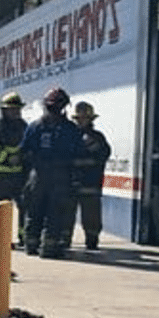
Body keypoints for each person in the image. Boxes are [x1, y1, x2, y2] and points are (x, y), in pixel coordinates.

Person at [19, 87, 84, 259]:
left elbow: (23, 151)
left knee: (34, 211)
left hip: (38, 175)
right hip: (60, 177)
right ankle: (49, 247)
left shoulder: (35, 127)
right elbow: (79, 152)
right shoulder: (70, 129)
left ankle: (31, 244)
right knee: (55, 213)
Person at [0, 91, 29, 247]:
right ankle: (0, 239)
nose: (15, 112)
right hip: (0, 175)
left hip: (19, 176)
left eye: (17, 109)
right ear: (3, 110)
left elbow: (28, 147)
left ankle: (25, 237)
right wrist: (9, 156)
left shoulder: (23, 126)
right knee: (1, 208)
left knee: (24, 206)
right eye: (11, 109)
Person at [67, 101, 111, 250]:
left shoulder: (98, 138)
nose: (81, 121)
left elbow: (102, 156)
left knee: (92, 217)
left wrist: (79, 162)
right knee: (66, 217)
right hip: (70, 185)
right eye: (79, 119)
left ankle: (92, 242)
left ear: (91, 119)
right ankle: (64, 240)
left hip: (90, 185)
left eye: (84, 118)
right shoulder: (69, 136)